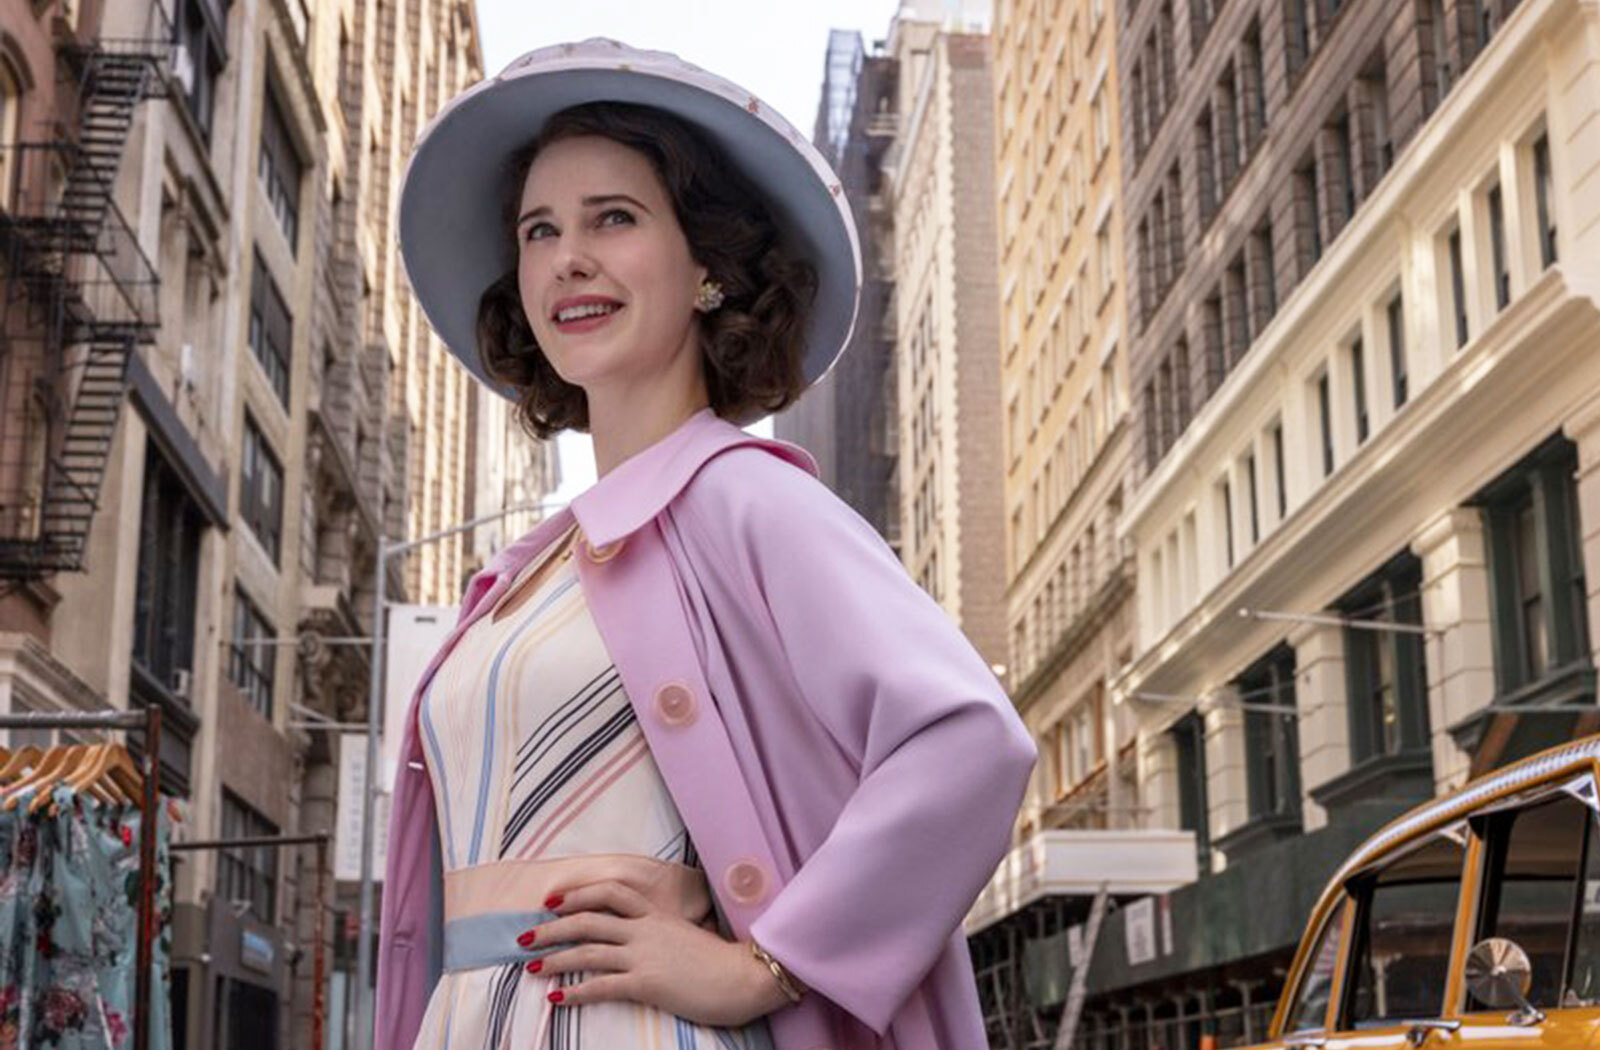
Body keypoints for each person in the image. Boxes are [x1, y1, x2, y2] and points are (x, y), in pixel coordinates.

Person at [379, 38, 1036, 1050]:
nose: (568, 257)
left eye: (615, 218)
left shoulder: (743, 502)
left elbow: (968, 739)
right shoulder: (531, 568)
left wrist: (769, 964)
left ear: (706, 272)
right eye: (539, 230)